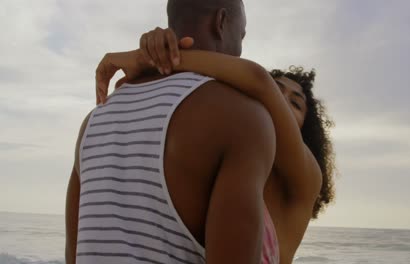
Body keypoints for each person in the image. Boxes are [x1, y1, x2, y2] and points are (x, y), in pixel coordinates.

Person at [94, 27, 336, 263]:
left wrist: (148, 59)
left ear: (306, 128)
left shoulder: (305, 180)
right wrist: (156, 50)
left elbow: (259, 81)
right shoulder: (224, 160)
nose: (280, 100)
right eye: (277, 91)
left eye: (295, 104)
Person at [65, 0, 279, 264]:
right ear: (221, 22)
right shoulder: (242, 118)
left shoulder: (93, 121)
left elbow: (75, 256)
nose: (240, 49)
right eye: (242, 35)